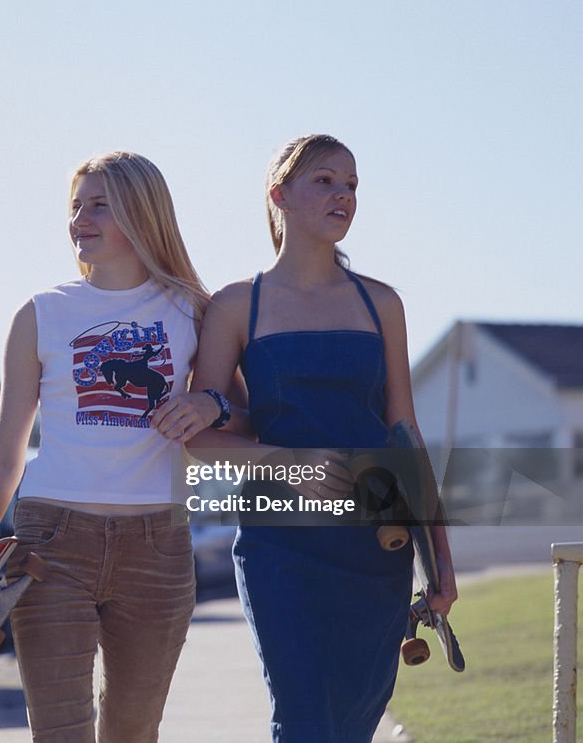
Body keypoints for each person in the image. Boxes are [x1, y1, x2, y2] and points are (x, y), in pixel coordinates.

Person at [172, 134, 458, 742]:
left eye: (352, 185)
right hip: (282, 544)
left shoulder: (381, 304)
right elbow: (204, 438)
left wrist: (441, 561)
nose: (344, 196)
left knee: (353, 723)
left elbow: (404, 431)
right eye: (325, 181)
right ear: (280, 194)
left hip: (375, 545)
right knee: (303, 717)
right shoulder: (233, 307)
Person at [0, 151, 210, 743]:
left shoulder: (191, 310)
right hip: (51, 542)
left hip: (157, 548)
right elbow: (6, 451)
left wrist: (210, 405)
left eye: (100, 205)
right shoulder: (40, 314)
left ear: (142, 213)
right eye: (76, 206)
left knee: (133, 733)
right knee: (59, 734)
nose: (81, 219)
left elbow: (242, 410)